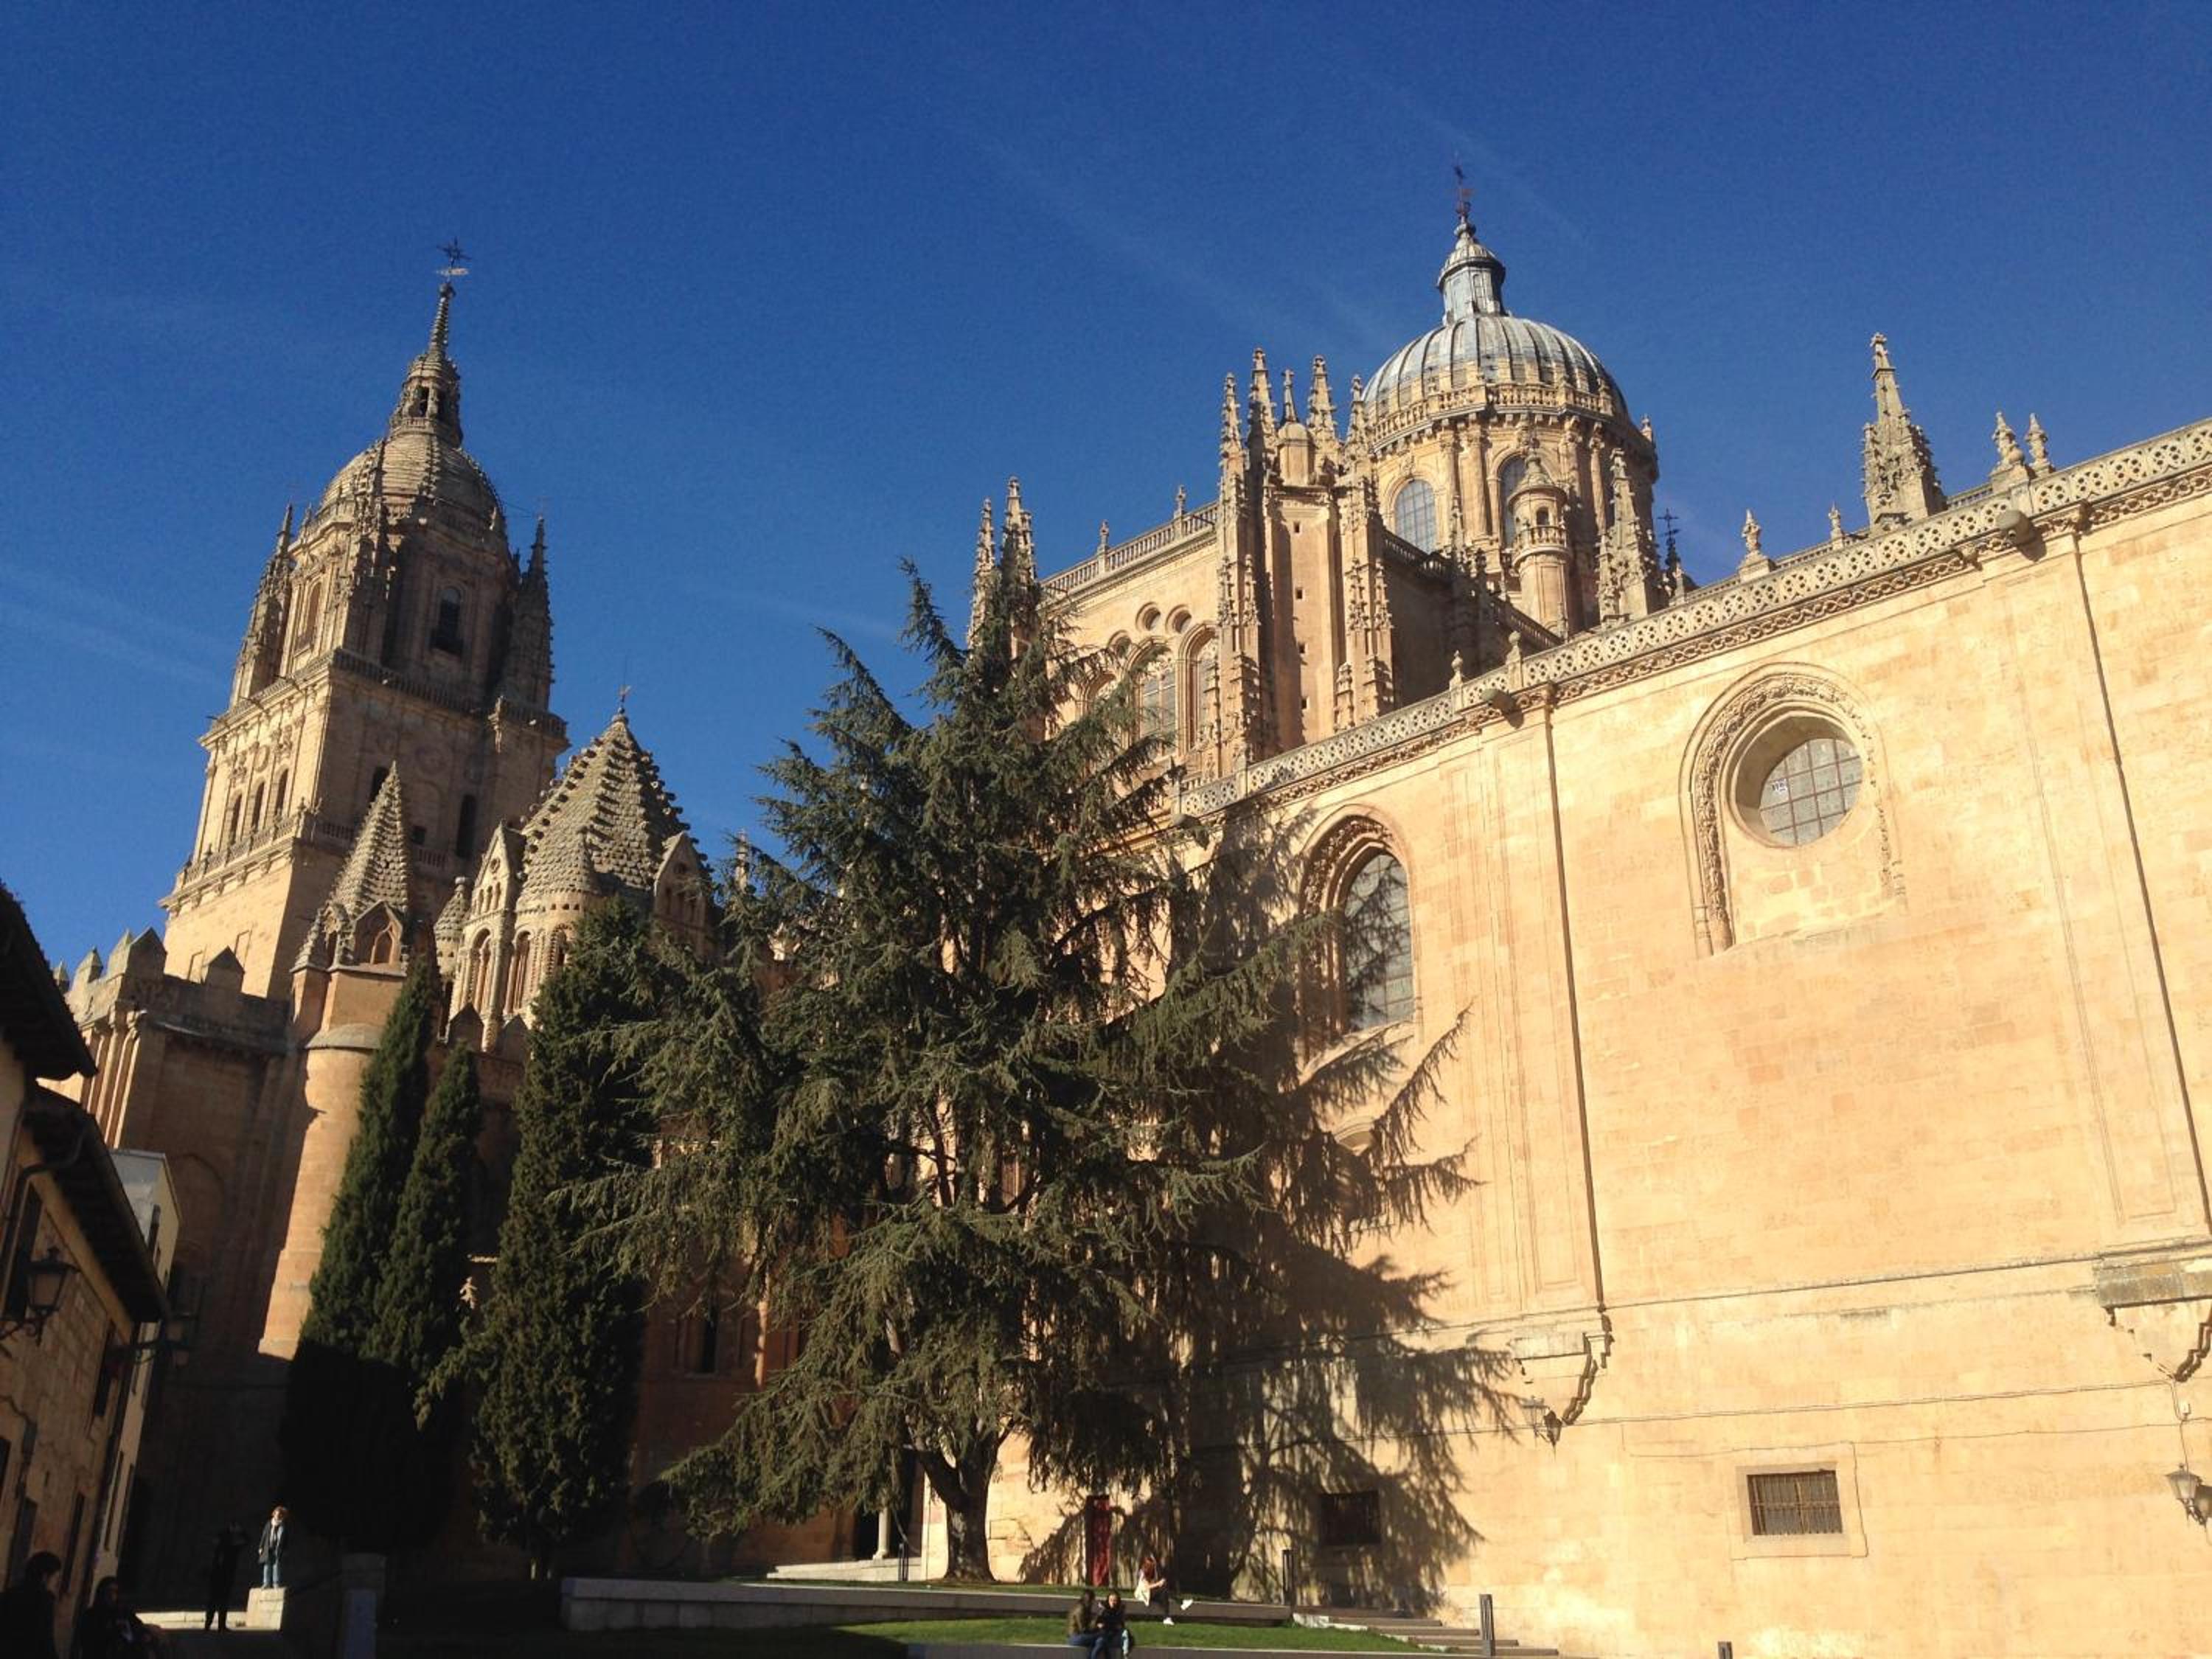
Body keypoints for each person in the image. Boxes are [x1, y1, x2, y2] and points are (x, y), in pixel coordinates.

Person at [73, 1576, 167, 1658]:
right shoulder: (91, 1615)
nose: (112, 1595)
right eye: (109, 1591)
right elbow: (88, 1642)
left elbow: (138, 1628)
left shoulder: (124, 1613)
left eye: (115, 1592)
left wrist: (143, 1635)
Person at [0, 1551, 62, 1659]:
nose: (56, 1583)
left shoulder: (9, 1594)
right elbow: (46, 1639)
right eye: (56, 1578)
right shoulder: (44, 1600)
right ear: (45, 1577)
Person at [203, 1525, 244, 1630]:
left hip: (221, 1577)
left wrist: (236, 1532)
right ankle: (215, 1625)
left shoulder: (226, 1548)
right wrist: (238, 1532)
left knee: (217, 1602)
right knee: (219, 1602)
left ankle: (213, 1625)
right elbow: (246, 1541)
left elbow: (246, 1541)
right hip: (221, 1577)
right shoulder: (229, 1548)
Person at [256, 1505, 287, 1590]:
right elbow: (264, 1535)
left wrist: (284, 1550)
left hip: (277, 1548)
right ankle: (266, 1583)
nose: (277, 1516)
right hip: (268, 1547)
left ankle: (276, 1583)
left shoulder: (282, 1525)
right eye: (276, 1514)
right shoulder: (269, 1523)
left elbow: (285, 1539)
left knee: (276, 1565)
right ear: (274, 1514)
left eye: (279, 1514)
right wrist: (261, 1546)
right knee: (267, 1565)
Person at [1135, 1554, 1172, 1625]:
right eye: (1149, 1565)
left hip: (1150, 1593)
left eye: (1152, 1566)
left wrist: (1160, 1584)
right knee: (1163, 1592)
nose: (1151, 1567)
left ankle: (1167, 1617)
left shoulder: (1153, 1573)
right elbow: (1147, 1587)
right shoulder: (1142, 1573)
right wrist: (1159, 1583)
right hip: (1143, 1594)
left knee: (1164, 1591)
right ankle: (1167, 1617)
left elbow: (1153, 1585)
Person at [1097, 1589, 1133, 1658]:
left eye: (1115, 1600)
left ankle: (1125, 1655)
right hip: (1105, 1638)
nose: (1113, 1603)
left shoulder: (1119, 1612)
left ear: (1118, 1602)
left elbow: (1120, 1626)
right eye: (1111, 1600)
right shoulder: (1103, 1611)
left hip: (1116, 1637)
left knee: (1125, 1633)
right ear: (1108, 1600)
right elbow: (1099, 1625)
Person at [1064, 1587, 1099, 1655]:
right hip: (1075, 1638)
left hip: (1078, 1636)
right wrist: (1096, 1625)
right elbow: (1083, 1629)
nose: (1093, 1602)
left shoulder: (1084, 1608)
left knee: (1100, 1641)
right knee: (1101, 1638)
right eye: (1093, 1600)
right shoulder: (1080, 1610)